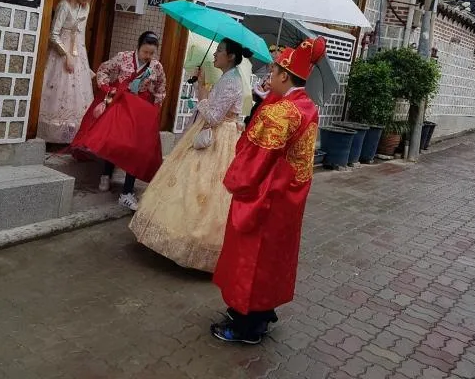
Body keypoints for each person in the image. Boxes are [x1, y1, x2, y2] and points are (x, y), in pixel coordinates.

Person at [211, 37, 327, 345]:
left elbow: (254, 160)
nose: (269, 75)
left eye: (273, 70)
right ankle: (261, 313)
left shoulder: (281, 112)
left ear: (285, 76)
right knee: (273, 259)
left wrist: (238, 182)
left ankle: (245, 325)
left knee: (250, 258)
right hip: (287, 198)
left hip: (264, 196)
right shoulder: (305, 106)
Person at [129, 38, 250, 272]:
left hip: (217, 140)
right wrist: (203, 86)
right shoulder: (228, 77)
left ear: (231, 56)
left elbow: (214, 117)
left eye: (219, 51)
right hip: (211, 134)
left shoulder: (231, 81)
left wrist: (201, 94)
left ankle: (194, 245)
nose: (215, 55)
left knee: (204, 191)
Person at [69, 31, 166, 211]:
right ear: (138, 47)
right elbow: (103, 70)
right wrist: (107, 88)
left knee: (136, 149)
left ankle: (127, 191)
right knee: (116, 141)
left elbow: (161, 88)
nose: (148, 56)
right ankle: (106, 173)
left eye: (152, 53)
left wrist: (157, 107)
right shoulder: (123, 58)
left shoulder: (157, 67)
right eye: (145, 52)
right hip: (122, 104)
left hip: (141, 110)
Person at [37, 0, 98, 144]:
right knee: (57, 91)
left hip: (78, 53)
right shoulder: (64, 6)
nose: (88, 0)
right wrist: (66, 55)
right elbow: (53, 35)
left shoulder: (85, 7)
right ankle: (50, 134)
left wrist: (84, 64)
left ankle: (71, 135)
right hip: (60, 53)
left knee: (77, 95)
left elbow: (81, 35)